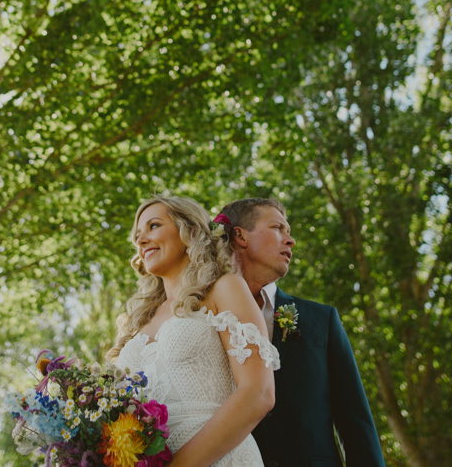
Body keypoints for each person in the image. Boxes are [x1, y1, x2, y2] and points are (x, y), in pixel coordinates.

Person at [108, 195, 279, 467]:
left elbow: (258, 393)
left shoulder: (224, 288)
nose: (140, 241)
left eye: (153, 226)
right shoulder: (137, 322)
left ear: (189, 229)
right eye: (137, 235)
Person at [217, 197, 385, 467]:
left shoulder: (322, 319)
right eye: (278, 228)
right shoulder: (205, 320)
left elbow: (355, 423)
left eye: (290, 232)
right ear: (240, 236)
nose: (290, 240)